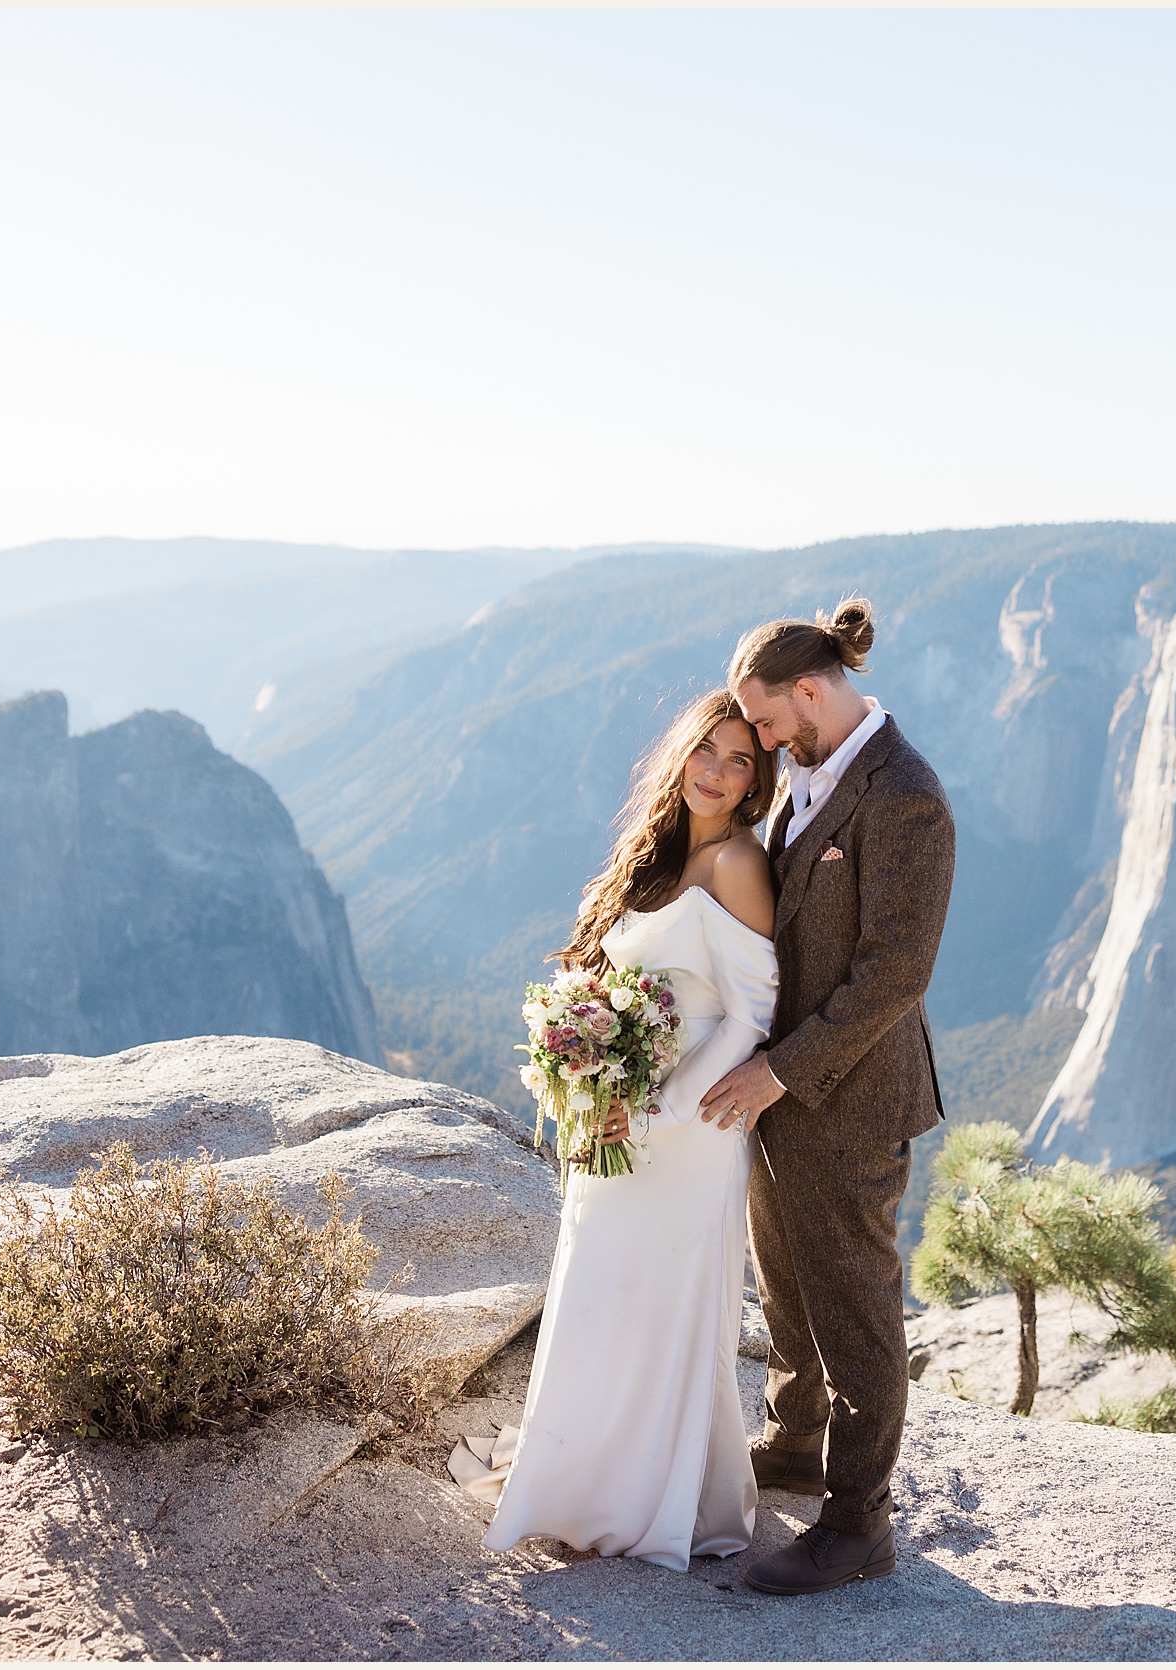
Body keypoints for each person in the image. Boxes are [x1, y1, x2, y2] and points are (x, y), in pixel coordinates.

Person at [453, 690, 782, 1571]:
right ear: (681, 754)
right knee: (597, 1293)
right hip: (619, 1114)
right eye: (705, 751)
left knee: (657, 1306)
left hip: (688, 1126)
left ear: (758, 779)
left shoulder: (739, 863)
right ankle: (579, 1473)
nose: (715, 771)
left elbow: (754, 1013)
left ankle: (649, 1498)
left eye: (739, 759)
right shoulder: (667, 852)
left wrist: (669, 1106)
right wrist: (588, 1066)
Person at [697, 595, 955, 1597]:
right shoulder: (807, 769)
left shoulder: (905, 795)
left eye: (763, 721)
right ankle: (794, 1441)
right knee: (788, 1284)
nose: (756, 743)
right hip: (781, 1088)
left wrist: (782, 1068)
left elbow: (895, 973)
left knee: (852, 1305)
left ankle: (859, 1521)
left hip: (848, 1095)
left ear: (810, 691)